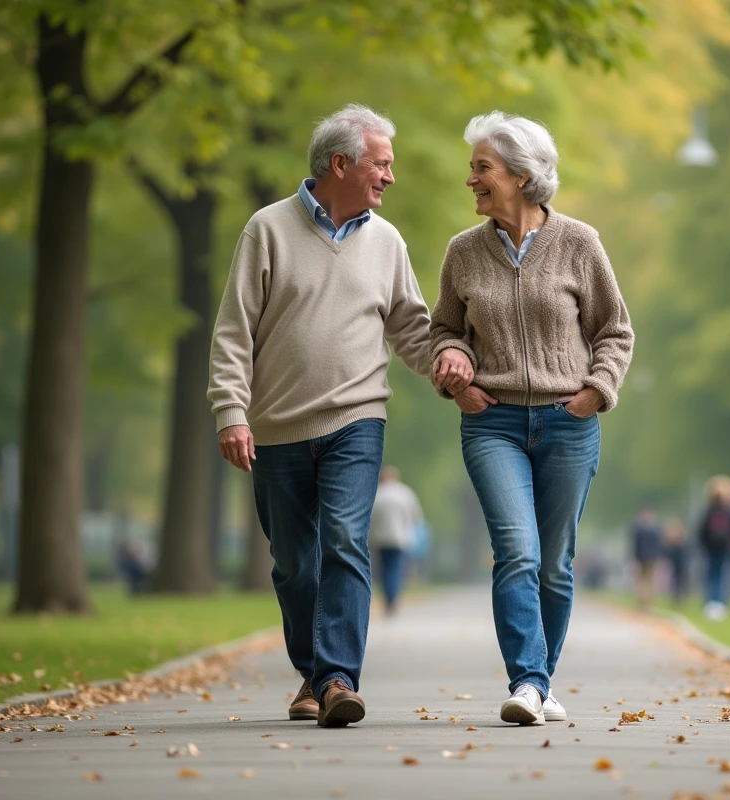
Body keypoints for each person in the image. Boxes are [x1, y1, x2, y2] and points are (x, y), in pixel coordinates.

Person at [208, 105, 472, 728]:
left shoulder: (387, 241)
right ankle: (313, 674)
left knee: (347, 542)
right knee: (294, 560)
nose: (390, 177)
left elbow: (411, 326)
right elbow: (233, 331)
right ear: (341, 163)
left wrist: (451, 364)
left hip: (358, 418)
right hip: (275, 426)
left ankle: (336, 680)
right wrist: (230, 410)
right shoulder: (266, 230)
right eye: (382, 164)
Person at [429, 111, 634, 725]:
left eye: (482, 168)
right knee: (517, 551)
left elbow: (614, 331)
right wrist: (454, 367)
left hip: (569, 423)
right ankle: (527, 683)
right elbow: (444, 329)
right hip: (492, 424)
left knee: (554, 562)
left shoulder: (580, 243)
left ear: (521, 175)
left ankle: (539, 683)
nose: (471, 179)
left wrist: (596, 392)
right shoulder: (462, 253)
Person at [368, 465, 424, 616]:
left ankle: (388, 599)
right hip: (400, 538)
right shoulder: (405, 493)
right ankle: (393, 599)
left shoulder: (377, 494)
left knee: (384, 569)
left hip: (380, 539)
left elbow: (370, 518)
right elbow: (415, 517)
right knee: (396, 568)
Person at [697, 475, 730, 621]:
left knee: (712, 574)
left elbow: (701, 530)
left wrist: (703, 545)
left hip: (711, 547)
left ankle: (711, 602)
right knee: (723, 575)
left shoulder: (709, 510)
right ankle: (720, 604)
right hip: (725, 548)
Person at [630, 507, 664, 611]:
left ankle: (646, 603)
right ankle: (644, 602)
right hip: (644, 559)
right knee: (644, 580)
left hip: (648, 559)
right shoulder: (652, 530)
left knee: (647, 580)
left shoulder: (640, 530)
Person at [663, 516, 689, 605]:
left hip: (680, 562)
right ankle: (676, 596)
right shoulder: (672, 540)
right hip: (675, 562)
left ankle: (679, 596)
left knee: (680, 579)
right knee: (675, 579)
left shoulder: (681, 539)